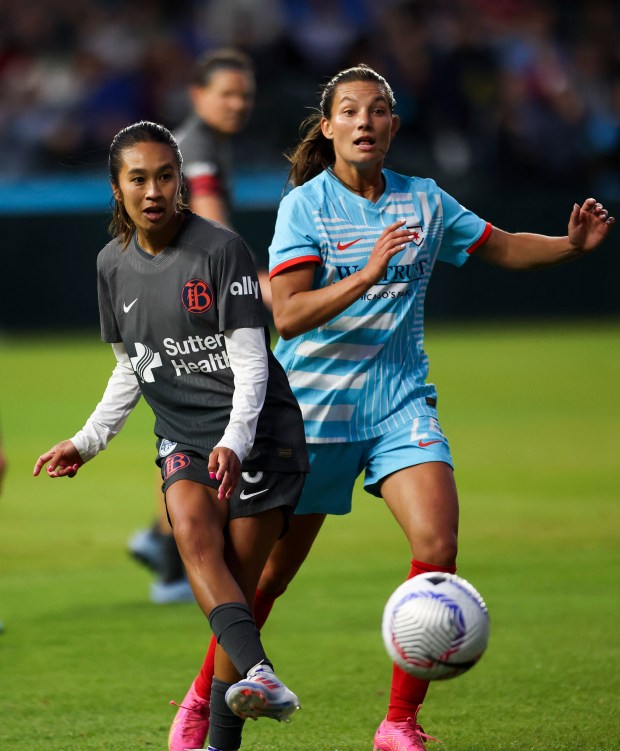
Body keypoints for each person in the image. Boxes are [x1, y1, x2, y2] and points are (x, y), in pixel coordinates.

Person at [171, 64, 615, 751]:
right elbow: (287, 315)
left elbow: (501, 245)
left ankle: (398, 723)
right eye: (349, 110)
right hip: (310, 414)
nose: (365, 121)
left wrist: (570, 245)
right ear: (330, 127)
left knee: (437, 546)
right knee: (264, 582)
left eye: (378, 110)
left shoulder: (426, 201)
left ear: (393, 127)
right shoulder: (306, 206)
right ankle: (203, 698)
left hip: (399, 402)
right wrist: (368, 274)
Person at [33, 120, 309, 751]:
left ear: (180, 182)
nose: (153, 190)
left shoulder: (220, 249)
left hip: (262, 435)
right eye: (138, 178)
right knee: (191, 535)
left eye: (165, 176)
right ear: (116, 188)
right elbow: (132, 367)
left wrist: (236, 443)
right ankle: (262, 677)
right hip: (183, 433)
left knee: (232, 594)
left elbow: (251, 361)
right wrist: (87, 440)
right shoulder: (111, 264)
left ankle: (221, 740)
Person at [129, 48, 273, 605]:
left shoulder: (198, 143)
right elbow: (213, 226)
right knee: (209, 431)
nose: (238, 104)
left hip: (170, 302)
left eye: (246, 95)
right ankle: (174, 557)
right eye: (227, 93)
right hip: (186, 308)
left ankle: (162, 542)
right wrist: (260, 285)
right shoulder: (196, 149)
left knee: (192, 431)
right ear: (197, 94)